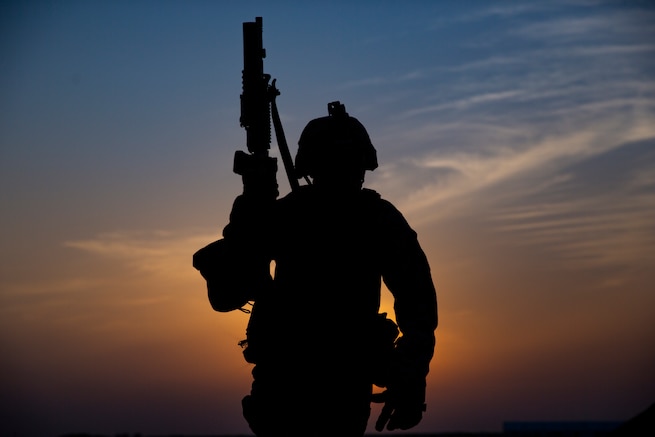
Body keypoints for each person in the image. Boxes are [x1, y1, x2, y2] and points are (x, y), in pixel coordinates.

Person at [194, 101, 438, 436]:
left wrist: (410, 378)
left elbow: (417, 305)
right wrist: (251, 206)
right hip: (293, 385)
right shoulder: (302, 216)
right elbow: (227, 291)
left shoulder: (365, 219)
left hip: (328, 387)